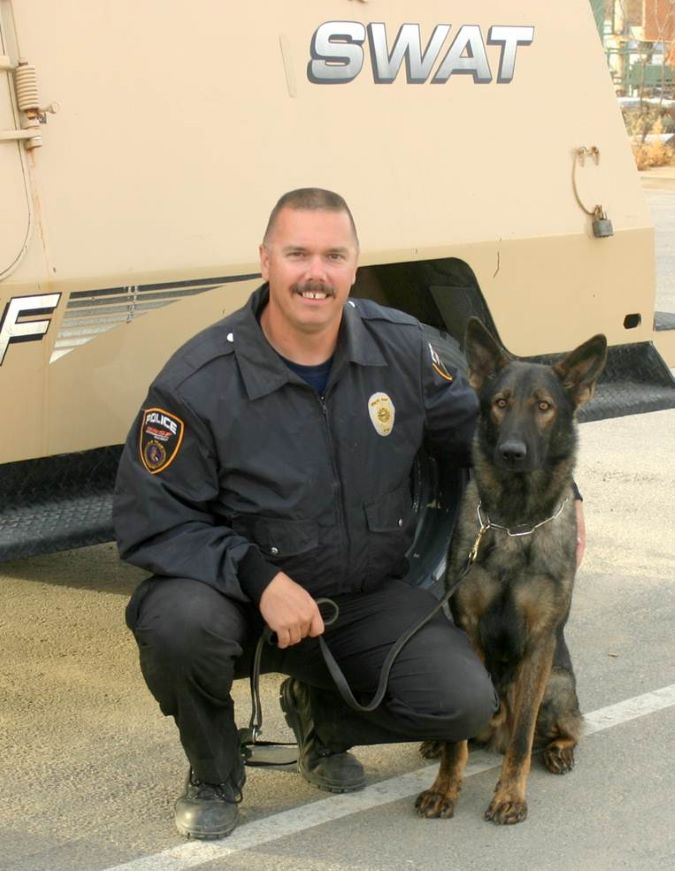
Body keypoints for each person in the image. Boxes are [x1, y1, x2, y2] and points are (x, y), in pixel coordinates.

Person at [114, 188, 501, 840]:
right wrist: (258, 579)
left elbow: (491, 436)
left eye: (332, 255)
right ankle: (213, 774)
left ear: (354, 266)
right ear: (265, 260)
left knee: (463, 702)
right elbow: (154, 519)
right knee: (177, 623)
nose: (314, 273)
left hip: (361, 593)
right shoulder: (200, 379)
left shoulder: (402, 352)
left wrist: (560, 500)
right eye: (297, 253)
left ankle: (322, 719)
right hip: (237, 601)